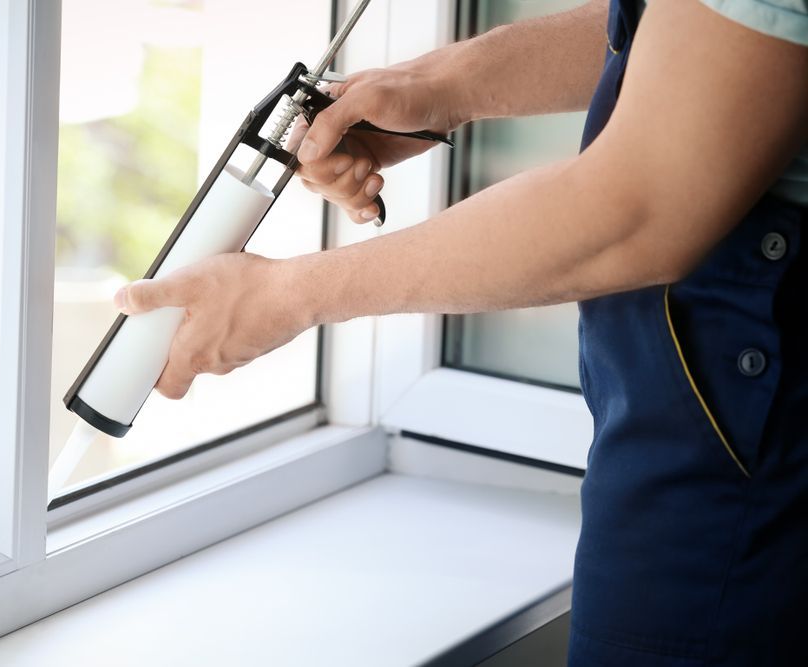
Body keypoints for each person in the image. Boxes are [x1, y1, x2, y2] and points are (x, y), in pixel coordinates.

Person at [113, 0, 808, 664]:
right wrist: (439, 84)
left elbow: (636, 211)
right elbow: (699, 27)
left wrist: (287, 296)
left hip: (749, 466)